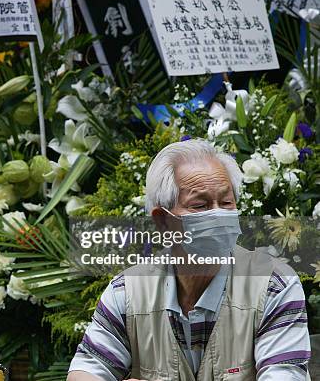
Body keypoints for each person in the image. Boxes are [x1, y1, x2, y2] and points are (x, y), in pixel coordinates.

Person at [68, 139, 311, 380]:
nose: (218, 215)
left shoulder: (273, 285)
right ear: (163, 222)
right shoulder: (128, 291)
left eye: (226, 203)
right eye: (200, 206)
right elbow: (86, 371)